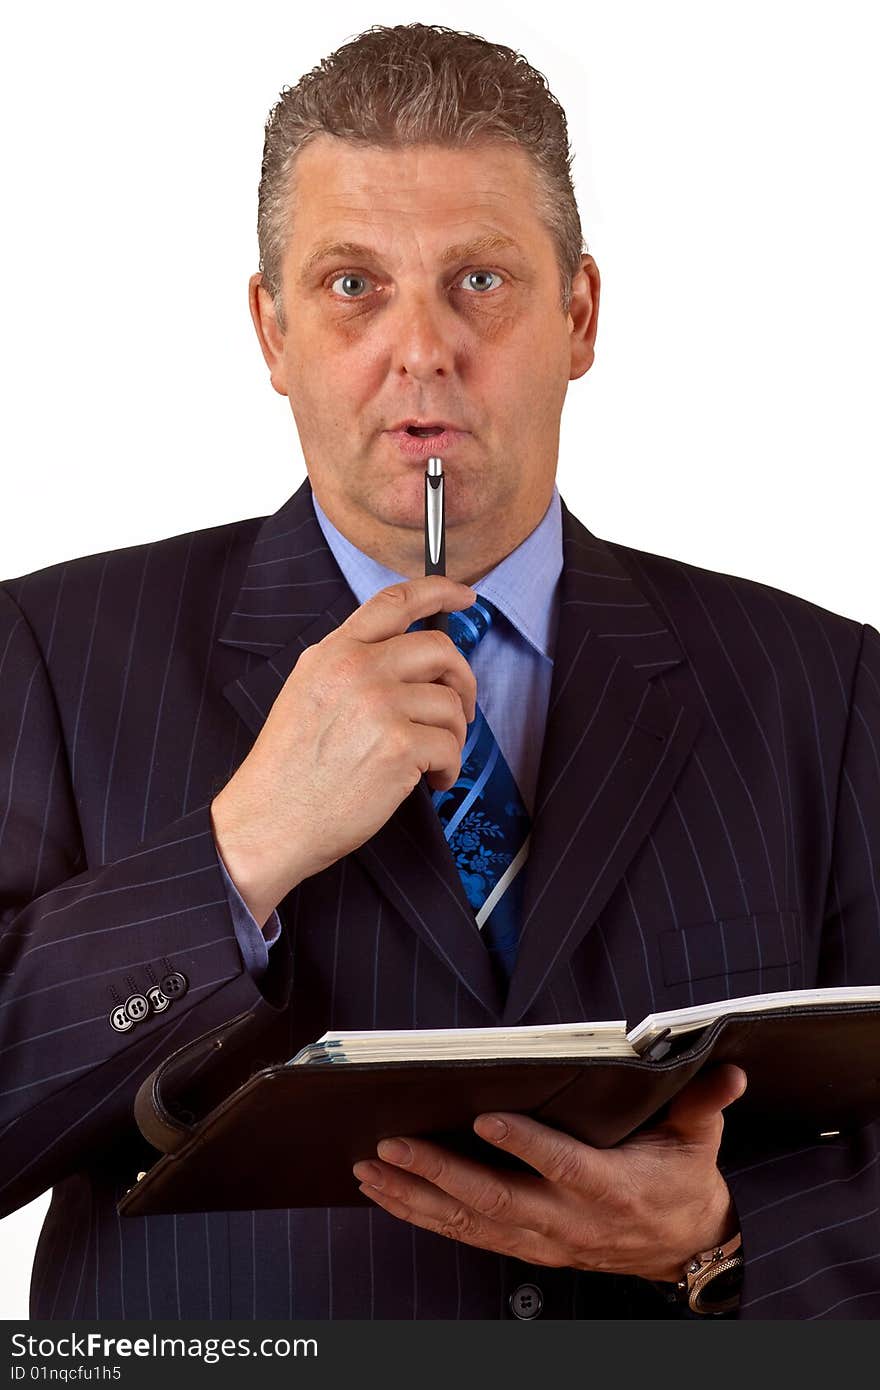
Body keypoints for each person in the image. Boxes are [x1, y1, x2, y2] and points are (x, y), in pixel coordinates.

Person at [1, 21, 878, 1321]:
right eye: (353, 284)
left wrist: (725, 1227)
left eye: (478, 281)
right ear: (272, 328)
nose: (420, 350)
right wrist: (240, 847)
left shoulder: (832, 689)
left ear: (579, 316)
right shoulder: (50, 656)